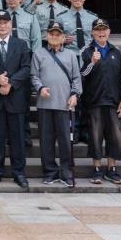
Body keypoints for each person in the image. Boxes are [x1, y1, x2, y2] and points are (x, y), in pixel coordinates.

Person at [0, 10, 31, 188]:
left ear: (11, 24)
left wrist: (10, 83)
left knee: (17, 138)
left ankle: (19, 172)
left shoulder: (21, 44)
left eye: (5, 22)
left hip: (15, 98)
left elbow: (26, 68)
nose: (2, 26)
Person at [32, 22, 82, 187]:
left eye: (57, 34)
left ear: (63, 37)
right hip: (45, 104)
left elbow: (76, 78)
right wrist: (40, 88)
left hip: (65, 104)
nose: (54, 36)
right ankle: (50, 172)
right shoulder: (38, 53)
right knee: (46, 141)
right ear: (47, 36)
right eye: (51, 34)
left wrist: (75, 94)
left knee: (66, 141)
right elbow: (34, 76)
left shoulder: (71, 55)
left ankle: (67, 173)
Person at [80, 18, 121, 185]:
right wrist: (92, 63)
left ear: (109, 31)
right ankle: (97, 169)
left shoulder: (116, 51)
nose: (101, 33)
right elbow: (81, 75)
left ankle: (112, 169)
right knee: (95, 136)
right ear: (92, 32)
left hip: (113, 101)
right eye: (98, 30)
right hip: (94, 101)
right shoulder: (86, 51)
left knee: (115, 136)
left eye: (104, 29)